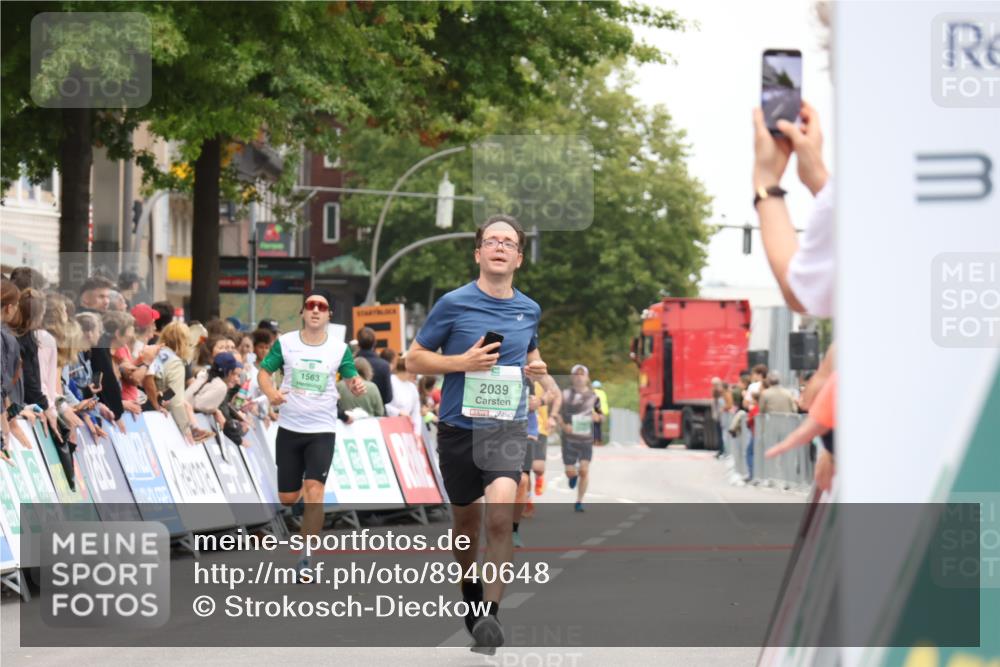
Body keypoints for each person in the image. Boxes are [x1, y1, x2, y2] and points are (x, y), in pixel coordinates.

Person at [405, 214, 547, 653]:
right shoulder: (453, 304)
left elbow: (530, 349)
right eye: (492, 240)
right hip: (457, 429)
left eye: (508, 242)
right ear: (478, 253)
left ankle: (491, 615)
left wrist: (537, 367)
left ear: (519, 258)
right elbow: (414, 360)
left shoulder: (530, 308)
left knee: (502, 516)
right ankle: (471, 596)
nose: (499, 247)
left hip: (504, 427)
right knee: (466, 524)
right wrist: (460, 363)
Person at [257, 290, 365, 576]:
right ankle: (302, 505)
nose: (316, 310)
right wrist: (272, 395)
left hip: (322, 430)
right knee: (288, 498)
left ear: (329, 314)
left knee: (315, 491)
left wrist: (355, 385)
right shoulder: (286, 343)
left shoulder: (338, 349)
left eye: (322, 306)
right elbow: (264, 374)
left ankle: (306, 557)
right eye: (310, 305)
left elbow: (351, 374)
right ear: (303, 312)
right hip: (291, 428)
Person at [558, 364, 601, 512]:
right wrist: (564, 426)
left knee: (584, 470)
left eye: (582, 375)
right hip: (568, 440)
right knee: (571, 472)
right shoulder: (564, 395)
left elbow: (601, 416)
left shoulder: (594, 397)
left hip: (585, 440)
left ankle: (579, 501)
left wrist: (597, 417)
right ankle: (571, 476)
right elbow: (556, 414)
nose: (579, 377)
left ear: (587, 378)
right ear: (572, 377)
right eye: (576, 374)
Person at [355, 326, 394, 406]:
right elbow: (388, 398)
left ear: (358, 343)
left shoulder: (349, 364)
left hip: (352, 414)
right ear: (375, 343)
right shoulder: (384, 366)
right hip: (378, 414)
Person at [386, 356, 421, 436]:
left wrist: (417, 433)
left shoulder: (412, 387)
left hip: (406, 429)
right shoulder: (390, 382)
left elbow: (416, 412)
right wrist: (398, 412)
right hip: (390, 427)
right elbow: (383, 405)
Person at [591, 379, 609, 444]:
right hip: (603, 412)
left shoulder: (593, 393)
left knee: (595, 426)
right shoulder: (603, 393)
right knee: (599, 426)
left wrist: (593, 412)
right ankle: (599, 440)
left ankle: (595, 440)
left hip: (596, 411)